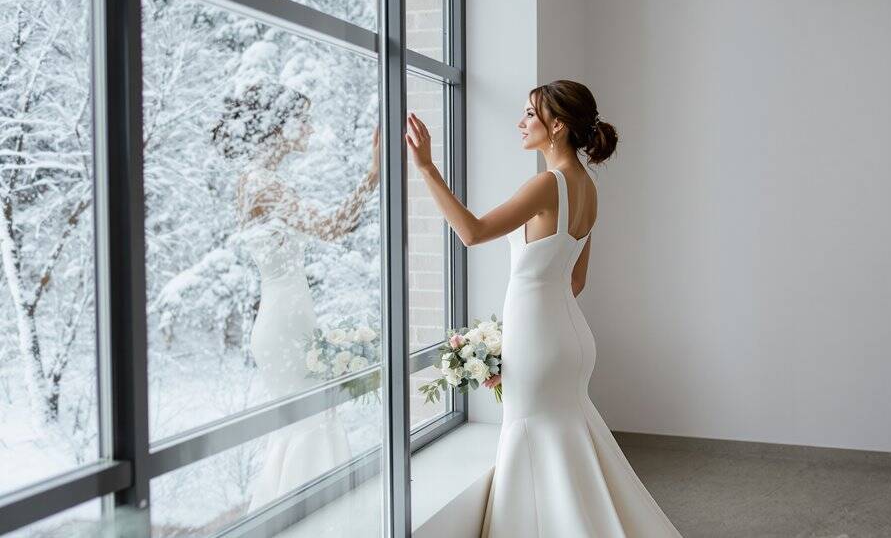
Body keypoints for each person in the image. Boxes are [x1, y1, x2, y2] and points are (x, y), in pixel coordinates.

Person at [407, 79, 682, 537]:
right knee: (568, 437)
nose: (521, 122)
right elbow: (576, 279)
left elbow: (472, 233)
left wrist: (427, 168)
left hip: (540, 338)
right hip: (568, 335)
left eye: (530, 115)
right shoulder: (587, 189)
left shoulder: (547, 184)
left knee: (531, 436)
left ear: (557, 126)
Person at [211, 82, 380, 513]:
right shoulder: (263, 184)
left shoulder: (260, 180)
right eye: (301, 118)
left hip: (287, 318)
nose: (309, 127)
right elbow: (331, 227)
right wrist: (374, 175)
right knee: (311, 421)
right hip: (284, 324)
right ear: (276, 126)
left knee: (306, 422)